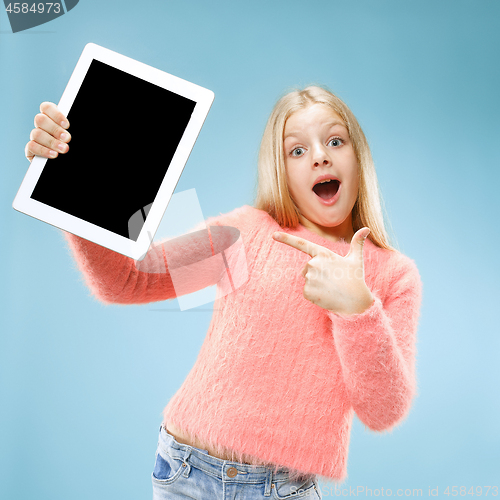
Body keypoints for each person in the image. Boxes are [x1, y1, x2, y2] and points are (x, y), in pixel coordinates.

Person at [24, 85, 423, 500]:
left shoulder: (394, 275)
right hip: (183, 471)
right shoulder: (244, 232)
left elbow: (382, 412)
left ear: (359, 157)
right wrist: (67, 182)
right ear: (280, 169)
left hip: (280, 489)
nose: (320, 155)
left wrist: (358, 309)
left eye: (335, 140)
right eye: (297, 150)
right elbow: (127, 281)